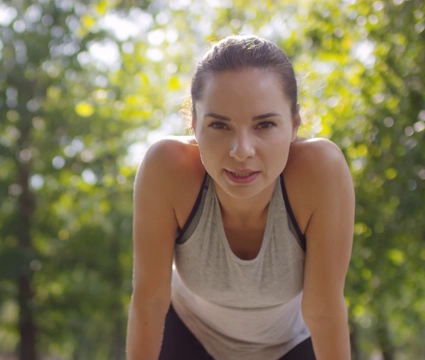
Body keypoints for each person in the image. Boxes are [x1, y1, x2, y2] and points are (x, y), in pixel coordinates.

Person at [126, 35, 354, 359]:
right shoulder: (167, 169)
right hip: (190, 334)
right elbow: (149, 299)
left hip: (287, 344)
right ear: (193, 124)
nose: (241, 151)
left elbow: (324, 311)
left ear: (294, 124)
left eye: (265, 125)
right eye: (219, 125)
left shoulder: (320, 172)